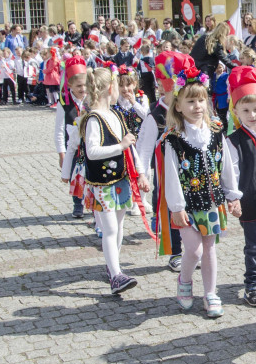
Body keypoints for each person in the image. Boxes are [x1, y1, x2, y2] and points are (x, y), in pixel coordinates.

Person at [159, 64, 241, 318]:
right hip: (186, 203)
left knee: (209, 248)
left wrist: (232, 194)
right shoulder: (174, 138)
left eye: (201, 100)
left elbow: (226, 164)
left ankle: (210, 293)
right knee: (192, 249)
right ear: (178, 106)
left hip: (212, 201)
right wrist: (177, 207)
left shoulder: (216, 131)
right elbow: (171, 174)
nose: (197, 106)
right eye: (190, 101)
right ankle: (184, 280)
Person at [80, 67, 147, 294]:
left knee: (119, 227)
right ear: (110, 88)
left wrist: (140, 172)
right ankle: (116, 275)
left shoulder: (116, 114)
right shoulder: (94, 119)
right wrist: (120, 146)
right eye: (117, 85)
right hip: (102, 183)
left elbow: (131, 148)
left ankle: (114, 267)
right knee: (109, 229)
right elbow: (92, 151)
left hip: (121, 179)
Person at [138, 51, 195, 272]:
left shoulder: (190, 110)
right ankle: (175, 252)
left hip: (190, 174)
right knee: (169, 211)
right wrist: (142, 174)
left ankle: (191, 249)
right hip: (164, 175)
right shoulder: (156, 115)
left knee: (189, 209)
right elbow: (143, 148)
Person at [226, 66, 256, 307]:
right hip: (251, 200)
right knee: (253, 245)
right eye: (246, 110)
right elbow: (231, 171)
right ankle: (252, 284)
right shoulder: (233, 140)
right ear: (236, 111)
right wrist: (233, 197)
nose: (252, 115)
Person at [57, 57, 91, 220]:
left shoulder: (91, 99)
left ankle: (92, 203)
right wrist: (61, 153)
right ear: (69, 84)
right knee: (74, 174)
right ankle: (77, 203)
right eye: (78, 86)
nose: (83, 89)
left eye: (85, 85)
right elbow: (59, 130)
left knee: (91, 174)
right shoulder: (64, 102)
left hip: (90, 144)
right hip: (73, 147)